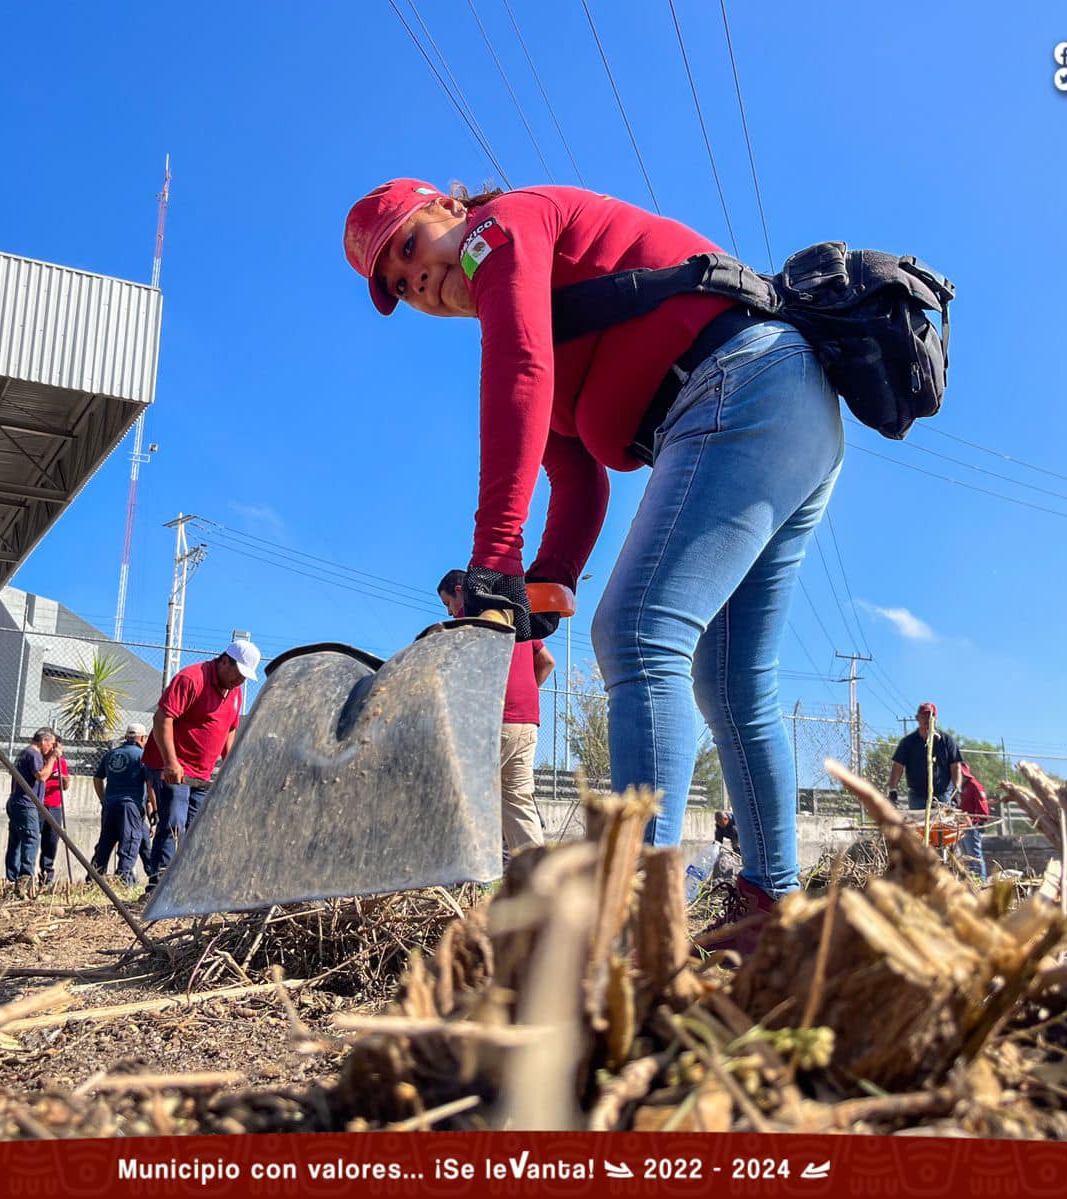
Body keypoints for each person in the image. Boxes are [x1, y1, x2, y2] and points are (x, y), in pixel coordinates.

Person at [346, 179, 844, 950]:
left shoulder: (499, 228)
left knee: (640, 634)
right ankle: (771, 907)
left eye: (411, 248)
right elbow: (578, 479)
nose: (421, 282)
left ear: (449, 206)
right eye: (403, 287)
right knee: (732, 678)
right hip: (786, 403)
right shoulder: (527, 307)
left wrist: (493, 564)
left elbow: (518, 372)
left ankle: (638, 920)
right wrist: (548, 579)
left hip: (737, 381)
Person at [438, 569, 554, 858]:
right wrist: (522, 696)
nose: (451, 611)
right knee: (518, 802)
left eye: (447, 603)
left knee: (466, 798)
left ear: (460, 589)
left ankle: (469, 880)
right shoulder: (515, 611)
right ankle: (539, 883)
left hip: (492, 721)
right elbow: (547, 662)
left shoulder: (467, 621)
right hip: (527, 722)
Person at [141, 639, 260, 894]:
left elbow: (230, 729)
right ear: (224, 661)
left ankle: (186, 887)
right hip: (173, 766)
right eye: (237, 674)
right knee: (174, 822)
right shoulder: (192, 678)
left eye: (244, 678)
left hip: (201, 773)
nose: (239, 681)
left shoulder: (235, 690)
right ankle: (159, 886)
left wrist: (231, 765)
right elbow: (163, 717)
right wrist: (171, 762)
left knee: (196, 828)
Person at [91, 722, 151, 887]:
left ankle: (94, 879)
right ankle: (123, 880)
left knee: (107, 842)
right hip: (131, 806)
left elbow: (97, 778)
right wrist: (154, 807)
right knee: (131, 841)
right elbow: (150, 783)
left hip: (110, 805)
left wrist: (104, 800)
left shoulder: (111, 754)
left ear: (126, 737)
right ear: (141, 738)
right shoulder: (142, 756)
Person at [6, 727, 58, 896]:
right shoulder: (33, 754)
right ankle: (25, 877)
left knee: (16, 841)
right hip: (26, 804)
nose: (50, 748)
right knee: (31, 839)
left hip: (16, 802)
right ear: (43, 741)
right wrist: (52, 759)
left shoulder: (23, 753)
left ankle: (12, 877)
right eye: (50, 744)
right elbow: (42, 776)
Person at [887, 703, 963, 811]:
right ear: (917, 718)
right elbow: (897, 766)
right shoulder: (908, 743)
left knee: (941, 825)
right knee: (920, 825)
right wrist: (892, 789)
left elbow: (955, 767)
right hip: (917, 795)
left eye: (931, 716)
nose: (928, 720)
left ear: (935, 718)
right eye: (924, 716)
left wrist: (957, 789)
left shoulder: (947, 741)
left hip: (942, 794)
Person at [37, 734, 71, 887]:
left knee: (51, 841)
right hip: (39, 804)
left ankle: (47, 876)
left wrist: (65, 779)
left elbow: (65, 786)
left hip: (55, 806)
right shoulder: (39, 761)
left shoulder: (61, 762)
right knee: (32, 839)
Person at [954, 763, 991, 879]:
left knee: (975, 856)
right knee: (967, 857)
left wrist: (976, 821)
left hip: (972, 826)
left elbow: (983, 810)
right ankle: (972, 879)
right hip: (963, 825)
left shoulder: (974, 786)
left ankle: (980, 881)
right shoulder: (962, 787)